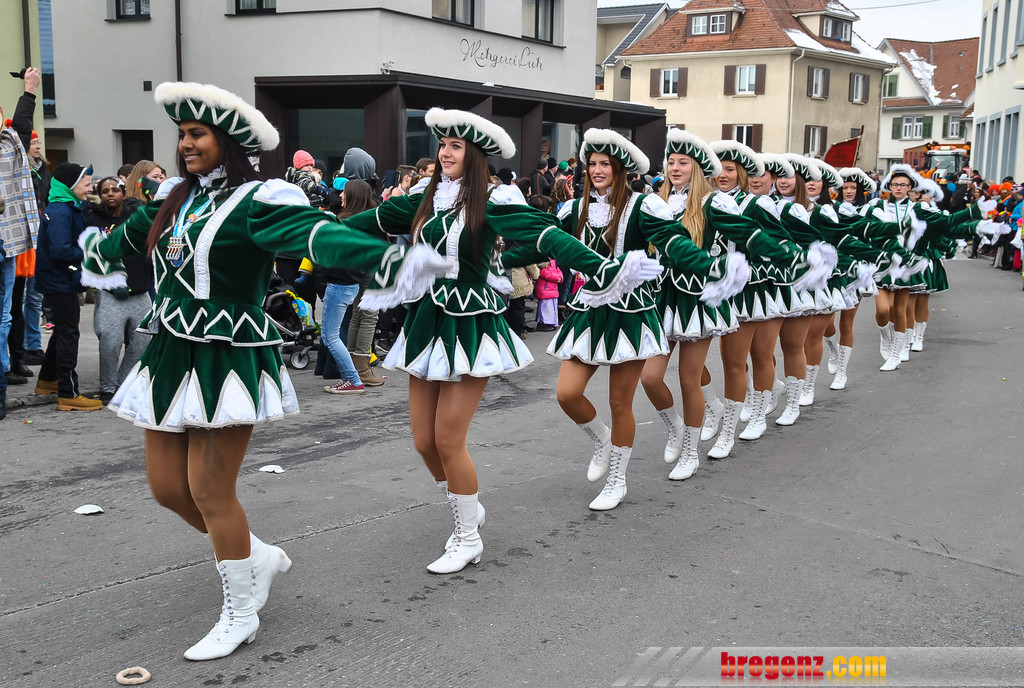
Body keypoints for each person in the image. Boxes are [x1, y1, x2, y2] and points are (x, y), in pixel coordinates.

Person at [78, 82, 453, 660]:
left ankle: (240, 612)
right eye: (182, 135)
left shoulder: (257, 201)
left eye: (198, 134)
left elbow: (315, 235)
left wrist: (386, 259)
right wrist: (94, 252)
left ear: (228, 141)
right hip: (171, 353)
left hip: (228, 354)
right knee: (168, 488)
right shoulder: (177, 201)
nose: (186, 144)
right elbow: (123, 239)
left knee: (210, 490)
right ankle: (256, 555)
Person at [336, 110, 662, 564]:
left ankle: (467, 536)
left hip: (472, 325)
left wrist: (604, 269)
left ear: (474, 156)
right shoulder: (425, 199)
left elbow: (546, 237)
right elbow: (364, 223)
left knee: (448, 439)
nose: (445, 153)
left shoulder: (494, 201)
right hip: (428, 324)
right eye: (442, 145)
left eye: (456, 146)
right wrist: (298, 229)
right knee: (424, 442)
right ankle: (466, 505)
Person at [550, 128, 744, 509]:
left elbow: (725, 240)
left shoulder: (705, 204)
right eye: (671, 162)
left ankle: (682, 453)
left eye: (683, 162)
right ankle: (662, 429)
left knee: (685, 379)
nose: (675, 168)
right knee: (635, 381)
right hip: (647, 299)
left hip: (689, 300)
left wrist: (725, 271)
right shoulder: (650, 201)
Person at [33, 161, 102, 410]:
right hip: (59, 280)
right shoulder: (61, 212)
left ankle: (48, 380)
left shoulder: (67, 207)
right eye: (86, 184)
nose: (90, 188)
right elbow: (61, 251)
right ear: (71, 185)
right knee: (69, 333)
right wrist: (91, 250)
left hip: (60, 279)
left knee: (63, 330)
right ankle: (68, 393)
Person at [83, 177, 153, 403]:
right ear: (100, 196)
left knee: (143, 342)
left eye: (115, 190)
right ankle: (107, 388)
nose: (110, 194)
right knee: (110, 343)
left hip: (140, 291)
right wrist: (112, 283)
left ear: (123, 193)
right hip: (111, 294)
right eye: (105, 191)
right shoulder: (92, 220)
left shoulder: (136, 217)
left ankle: (123, 384)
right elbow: (93, 256)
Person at [1, 68, 43, 390]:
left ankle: (10, 364)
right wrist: (28, 91)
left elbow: (21, 130)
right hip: (8, 242)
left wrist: (29, 92)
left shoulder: (9, 147)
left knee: (9, 310)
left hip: (11, 243)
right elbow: (21, 129)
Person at [320, 178, 377, 395]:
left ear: (353, 196)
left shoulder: (349, 223)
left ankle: (354, 378)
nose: (340, 195)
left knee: (331, 336)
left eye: (344, 192)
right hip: (346, 283)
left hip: (341, 284)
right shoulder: (356, 221)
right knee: (338, 330)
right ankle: (354, 375)